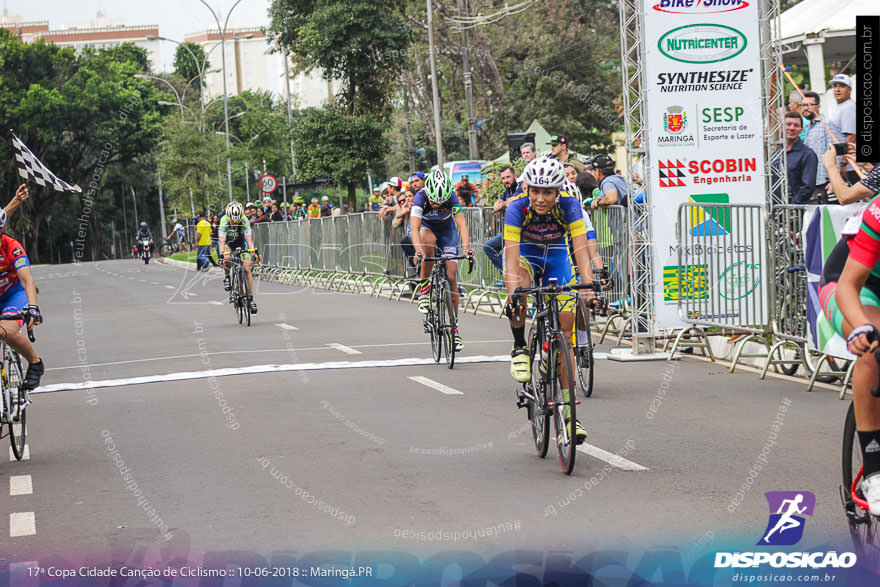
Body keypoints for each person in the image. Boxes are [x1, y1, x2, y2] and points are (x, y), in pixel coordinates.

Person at [503, 157, 593, 445]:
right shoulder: (517, 206)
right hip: (527, 255)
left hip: (556, 257)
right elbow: (511, 256)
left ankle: (568, 414)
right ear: (527, 188)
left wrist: (588, 285)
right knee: (521, 289)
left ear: (558, 191)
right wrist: (512, 292)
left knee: (565, 337)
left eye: (548, 192)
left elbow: (580, 247)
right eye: (535, 192)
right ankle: (520, 346)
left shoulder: (569, 204)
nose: (541, 199)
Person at [817, 147, 880, 513]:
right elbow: (848, 287)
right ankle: (873, 467)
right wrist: (862, 327)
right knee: (873, 347)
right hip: (855, 284)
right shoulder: (877, 212)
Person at [410, 169, 474, 351]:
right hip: (425, 228)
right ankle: (424, 287)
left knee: (452, 276)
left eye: (441, 202)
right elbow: (414, 228)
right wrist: (419, 251)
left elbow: (461, 223)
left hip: (447, 231)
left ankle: (454, 329)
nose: (436, 205)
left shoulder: (452, 197)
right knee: (427, 242)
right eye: (433, 202)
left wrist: (467, 249)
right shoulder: (420, 197)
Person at [802, 91, 844, 202]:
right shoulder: (809, 127)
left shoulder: (827, 124)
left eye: (810, 105)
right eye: (804, 105)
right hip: (813, 180)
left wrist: (834, 181)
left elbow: (836, 152)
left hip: (825, 183)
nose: (806, 108)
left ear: (818, 106)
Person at [770, 111, 818, 205]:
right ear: (781, 127)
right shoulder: (776, 152)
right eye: (788, 124)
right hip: (775, 208)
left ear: (801, 130)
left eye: (796, 125)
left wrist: (792, 207)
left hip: (795, 212)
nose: (792, 128)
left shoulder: (808, 154)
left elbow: (808, 187)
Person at [218, 202, 258, 314]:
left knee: (247, 268)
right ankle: (227, 277)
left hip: (240, 243)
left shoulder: (244, 219)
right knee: (226, 259)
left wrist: (253, 252)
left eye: (237, 222)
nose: (235, 224)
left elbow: (249, 239)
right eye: (233, 222)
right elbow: (222, 241)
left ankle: (250, 299)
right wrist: (222, 253)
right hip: (228, 244)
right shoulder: (224, 220)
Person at [483, 166, 523, 273]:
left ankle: (513, 276)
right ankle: (506, 273)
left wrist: (503, 204)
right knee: (488, 247)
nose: (506, 180)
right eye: (503, 178)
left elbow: (514, 201)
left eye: (508, 177)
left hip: (522, 232)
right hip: (509, 231)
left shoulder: (520, 187)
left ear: (515, 176)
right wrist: (499, 202)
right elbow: (500, 200)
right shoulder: (507, 190)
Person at [830, 74, 858, 183]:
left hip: (850, 167)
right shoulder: (841, 107)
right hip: (844, 164)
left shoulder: (848, 107)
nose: (837, 89)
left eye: (842, 86)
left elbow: (851, 137)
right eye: (835, 86)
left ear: (849, 89)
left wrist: (843, 164)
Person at [393, 189, 416, 269]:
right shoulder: (407, 207)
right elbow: (397, 219)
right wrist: (403, 208)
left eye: (410, 196)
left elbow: (398, 215)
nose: (407, 199)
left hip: (422, 233)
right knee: (405, 242)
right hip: (412, 235)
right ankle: (418, 270)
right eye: (406, 197)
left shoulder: (415, 206)